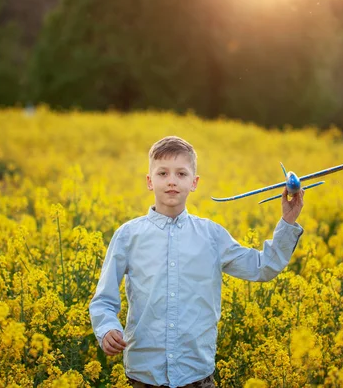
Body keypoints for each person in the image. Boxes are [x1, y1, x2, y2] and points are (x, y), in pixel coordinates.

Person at [89, 136, 304, 388]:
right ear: (149, 181)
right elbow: (103, 299)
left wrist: (287, 222)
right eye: (162, 173)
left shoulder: (212, 236)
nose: (172, 180)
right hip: (143, 376)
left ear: (194, 182)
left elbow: (261, 267)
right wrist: (107, 329)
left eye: (181, 173)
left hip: (196, 375)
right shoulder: (128, 235)